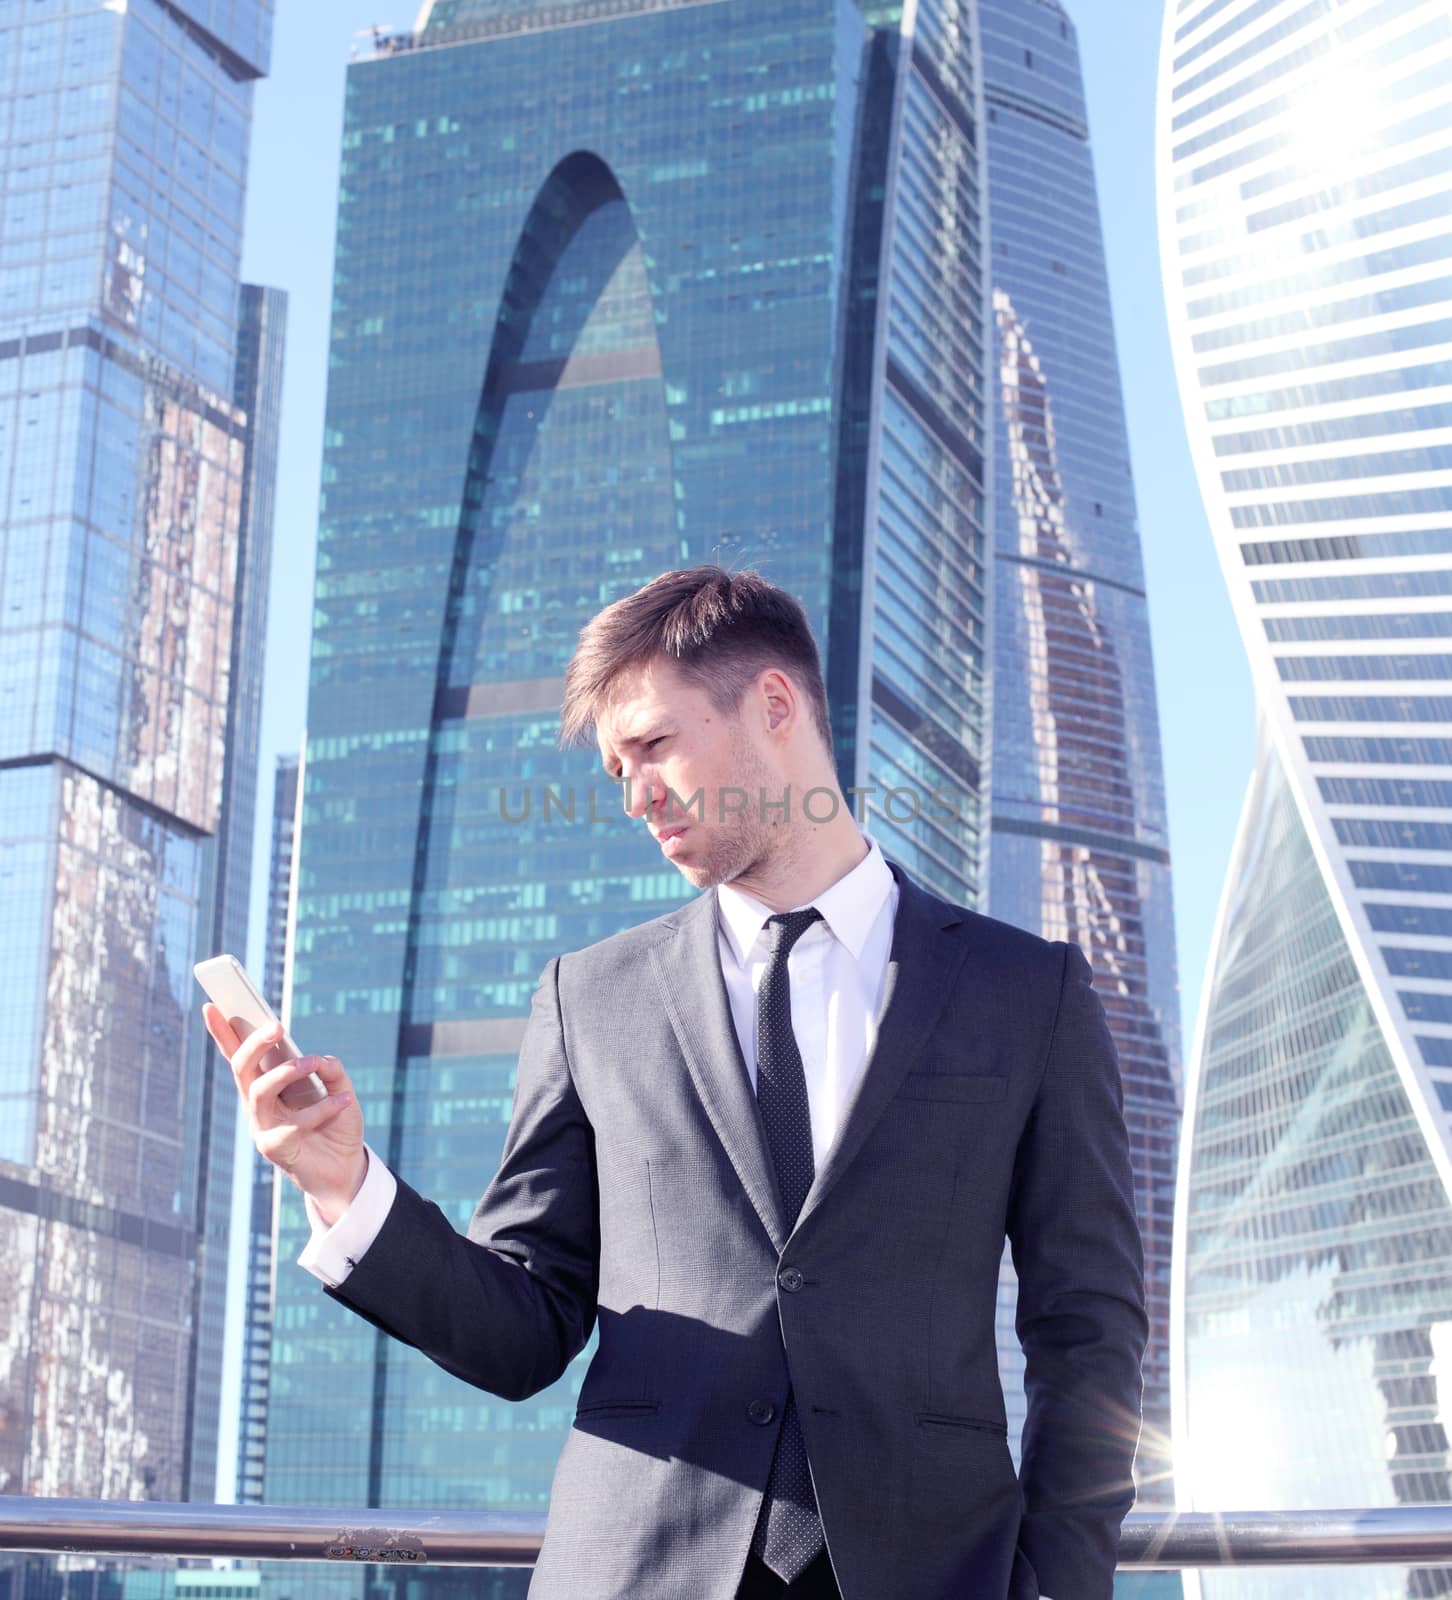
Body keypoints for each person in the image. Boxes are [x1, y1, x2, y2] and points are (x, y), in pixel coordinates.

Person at [206, 566, 1147, 1600]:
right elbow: (525, 1327)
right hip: (637, 1573)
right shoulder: (589, 998)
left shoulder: (1028, 992)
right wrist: (345, 1185)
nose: (635, 792)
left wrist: (1060, 1582)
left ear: (775, 706)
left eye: (654, 745)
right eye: (618, 766)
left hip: (935, 1573)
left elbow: (1086, 1327)